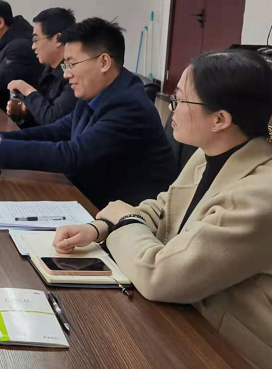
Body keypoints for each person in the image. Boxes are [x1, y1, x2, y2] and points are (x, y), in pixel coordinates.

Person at [53, 49, 272, 369]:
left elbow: (162, 277)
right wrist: (100, 228)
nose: (172, 109)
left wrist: (124, 220)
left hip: (227, 348)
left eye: (180, 100)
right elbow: (164, 209)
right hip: (184, 317)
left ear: (220, 120)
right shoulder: (209, 153)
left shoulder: (261, 195)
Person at [0, 18, 176, 208]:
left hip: (122, 214)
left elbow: (73, 155)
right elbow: (59, 130)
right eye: (65, 66)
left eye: (72, 64)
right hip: (90, 196)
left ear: (104, 62)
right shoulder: (98, 91)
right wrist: (1, 139)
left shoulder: (129, 106)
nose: (67, 74)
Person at [6, 8, 77, 127]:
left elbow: (53, 121)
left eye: (36, 39)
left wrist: (28, 91)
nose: (33, 46)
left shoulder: (74, 76)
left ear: (58, 39)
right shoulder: (48, 69)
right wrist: (25, 112)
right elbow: (42, 113)